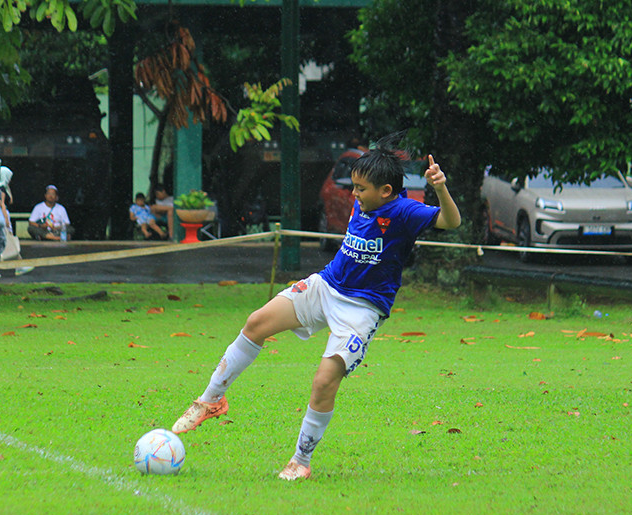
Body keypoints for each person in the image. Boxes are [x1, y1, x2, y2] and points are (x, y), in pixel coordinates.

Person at [169, 145, 461, 480]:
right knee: (256, 323)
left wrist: (439, 188)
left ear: (386, 192)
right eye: (354, 186)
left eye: (361, 189)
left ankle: (300, 461)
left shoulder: (406, 212)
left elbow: (451, 222)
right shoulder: (364, 200)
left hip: (361, 309)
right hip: (326, 286)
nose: (354, 194)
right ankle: (211, 401)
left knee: (324, 381)